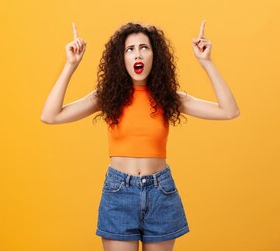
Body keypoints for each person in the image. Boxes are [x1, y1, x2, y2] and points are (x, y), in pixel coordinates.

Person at [40, 20, 240, 251]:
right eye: (130, 49)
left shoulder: (169, 97)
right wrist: (70, 65)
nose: (138, 54)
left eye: (144, 48)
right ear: (121, 58)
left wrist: (206, 63)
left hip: (160, 193)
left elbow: (229, 111)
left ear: (155, 56)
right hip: (119, 193)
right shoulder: (106, 97)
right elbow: (50, 115)